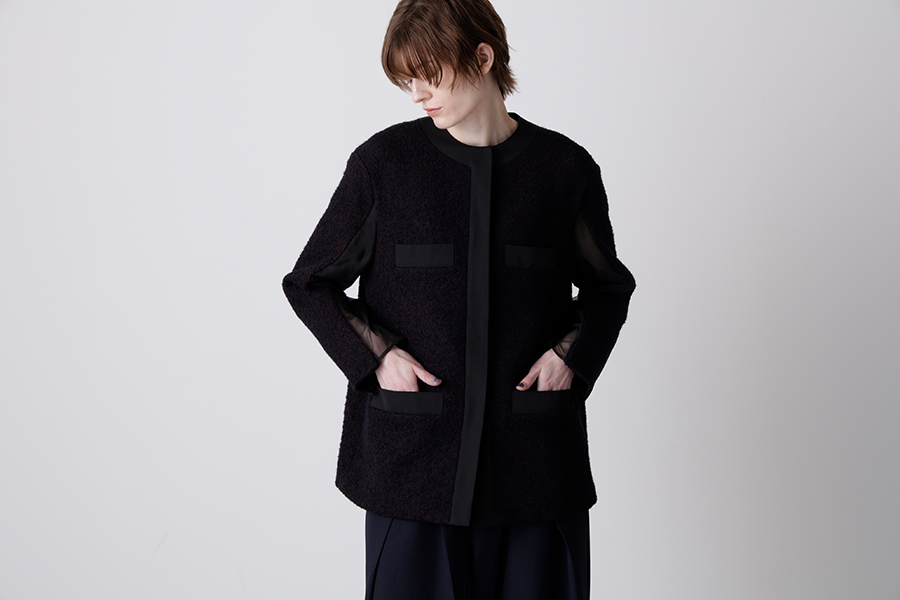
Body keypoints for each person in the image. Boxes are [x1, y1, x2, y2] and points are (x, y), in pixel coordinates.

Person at [282, 0, 635, 597]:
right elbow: (310, 282)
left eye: (429, 74)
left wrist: (570, 357)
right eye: (407, 79)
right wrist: (376, 358)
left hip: (537, 472)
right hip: (411, 472)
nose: (417, 93)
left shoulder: (564, 170)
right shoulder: (383, 166)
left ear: (483, 57)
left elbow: (609, 288)